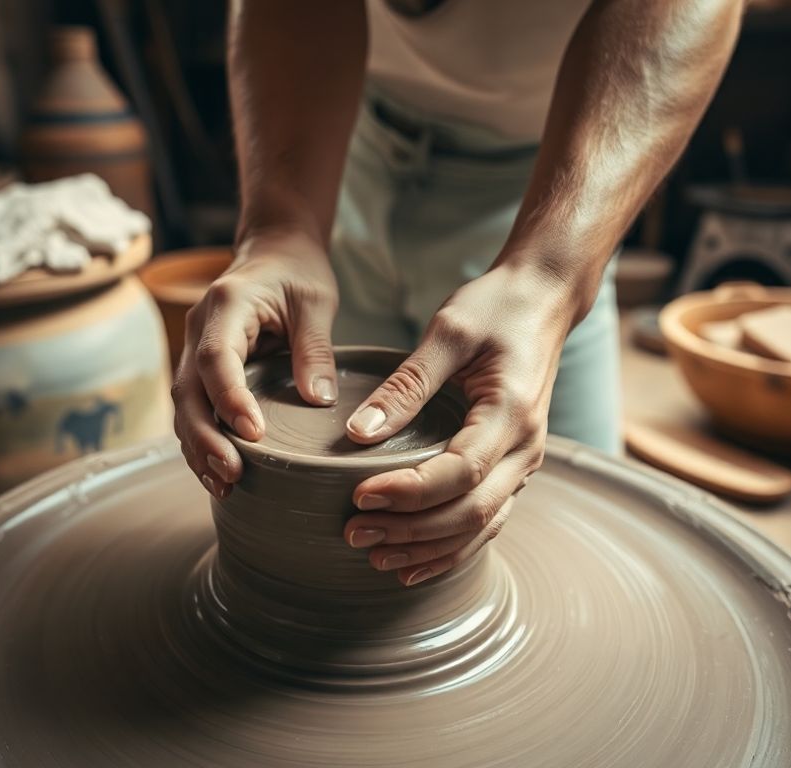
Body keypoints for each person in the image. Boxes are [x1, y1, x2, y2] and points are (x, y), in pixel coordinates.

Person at [172, 0, 742, 587]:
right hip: (337, 146)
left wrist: (550, 276)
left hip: (560, 181)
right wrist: (278, 230)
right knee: (311, 453)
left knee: (579, 542)